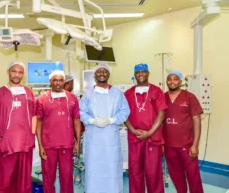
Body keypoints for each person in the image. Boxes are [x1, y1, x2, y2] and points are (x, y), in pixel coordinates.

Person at [79, 63, 130, 193]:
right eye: (99, 71)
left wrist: (112, 120)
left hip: (110, 138)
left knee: (112, 168)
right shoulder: (88, 94)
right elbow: (81, 111)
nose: (102, 73)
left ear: (109, 74)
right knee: (94, 168)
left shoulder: (117, 93)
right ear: (94, 75)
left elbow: (125, 110)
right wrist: (92, 121)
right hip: (93, 139)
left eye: (105, 71)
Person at [0, 61, 36, 193]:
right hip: (7, 144)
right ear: (8, 72)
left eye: (20, 72)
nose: (17, 75)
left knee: (23, 181)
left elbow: (34, 115)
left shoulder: (28, 92)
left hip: (25, 144)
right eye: (14, 71)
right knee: (4, 181)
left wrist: (32, 136)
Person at [124, 63, 167, 193]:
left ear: (148, 73)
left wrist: (150, 132)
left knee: (153, 172)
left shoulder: (157, 91)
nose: (140, 74)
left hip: (153, 139)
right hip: (135, 138)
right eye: (138, 72)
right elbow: (123, 114)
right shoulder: (128, 93)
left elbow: (162, 114)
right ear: (134, 75)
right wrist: (133, 130)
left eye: (143, 71)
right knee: (135, 172)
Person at [36, 70, 81, 193]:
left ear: (64, 82)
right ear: (50, 81)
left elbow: (76, 120)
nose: (58, 83)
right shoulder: (42, 99)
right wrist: (40, 145)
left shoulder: (72, 98)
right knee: (48, 178)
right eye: (55, 80)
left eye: (60, 80)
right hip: (48, 144)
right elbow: (38, 123)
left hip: (67, 144)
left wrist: (78, 142)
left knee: (67, 177)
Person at [163, 70, 204, 193]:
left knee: (193, 176)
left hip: (187, 145)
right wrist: (162, 144)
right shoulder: (163, 97)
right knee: (176, 176)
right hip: (169, 146)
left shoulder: (189, 97)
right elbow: (159, 122)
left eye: (175, 79)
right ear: (166, 82)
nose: (172, 81)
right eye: (169, 79)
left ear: (180, 81)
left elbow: (197, 121)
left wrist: (195, 145)